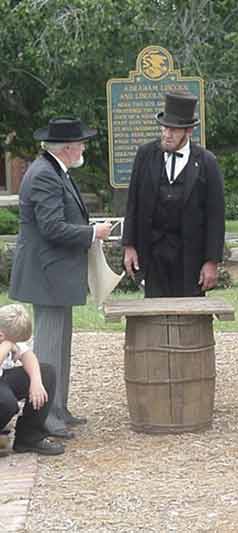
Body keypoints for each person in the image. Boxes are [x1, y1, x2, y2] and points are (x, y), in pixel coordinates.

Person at [9, 117, 112, 439]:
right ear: (67, 148)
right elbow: (52, 227)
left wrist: (88, 230)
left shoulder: (54, 170)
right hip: (47, 274)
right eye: (80, 143)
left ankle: (59, 409)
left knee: (60, 346)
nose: (83, 148)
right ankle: (45, 418)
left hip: (55, 274)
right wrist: (92, 233)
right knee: (50, 349)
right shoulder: (45, 174)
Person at [122, 90, 225, 297]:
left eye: (174, 130)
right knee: (155, 311)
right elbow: (133, 203)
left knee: (189, 312)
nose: (167, 134)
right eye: (164, 128)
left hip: (189, 257)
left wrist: (212, 261)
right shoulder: (145, 155)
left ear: (188, 131)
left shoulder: (206, 162)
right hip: (153, 254)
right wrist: (129, 246)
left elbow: (215, 216)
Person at [0, 304, 64, 455]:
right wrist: (7, 346)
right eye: (15, 341)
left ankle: (29, 437)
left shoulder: (8, 331)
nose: (16, 345)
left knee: (46, 372)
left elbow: (28, 356)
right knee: (7, 403)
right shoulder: (7, 340)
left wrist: (36, 382)